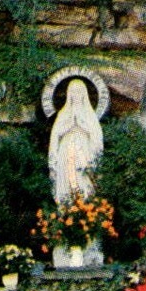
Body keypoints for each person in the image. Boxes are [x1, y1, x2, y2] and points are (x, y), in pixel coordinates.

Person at [47, 77, 104, 205]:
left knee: (83, 180)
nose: (75, 94)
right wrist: (68, 126)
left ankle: (85, 209)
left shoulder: (90, 114)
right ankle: (66, 211)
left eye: (78, 91)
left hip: (84, 151)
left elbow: (97, 136)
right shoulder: (63, 113)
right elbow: (55, 135)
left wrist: (83, 125)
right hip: (65, 152)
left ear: (84, 94)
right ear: (68, 93)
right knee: (65, 182)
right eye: (72, 91)